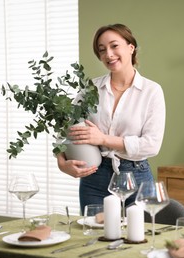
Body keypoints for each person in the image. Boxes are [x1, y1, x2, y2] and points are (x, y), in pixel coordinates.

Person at [57, 24, 166, 214]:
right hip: (94, 178)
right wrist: (62, 163)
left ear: (131, 47)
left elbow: (152, 145)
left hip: (137, 177)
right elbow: (65, 129)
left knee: (138, 239)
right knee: (94, 237)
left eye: (114, 46)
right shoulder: (91, 89)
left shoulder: (151, 91)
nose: (108, 54)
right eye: (102, 50)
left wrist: (103, 139)